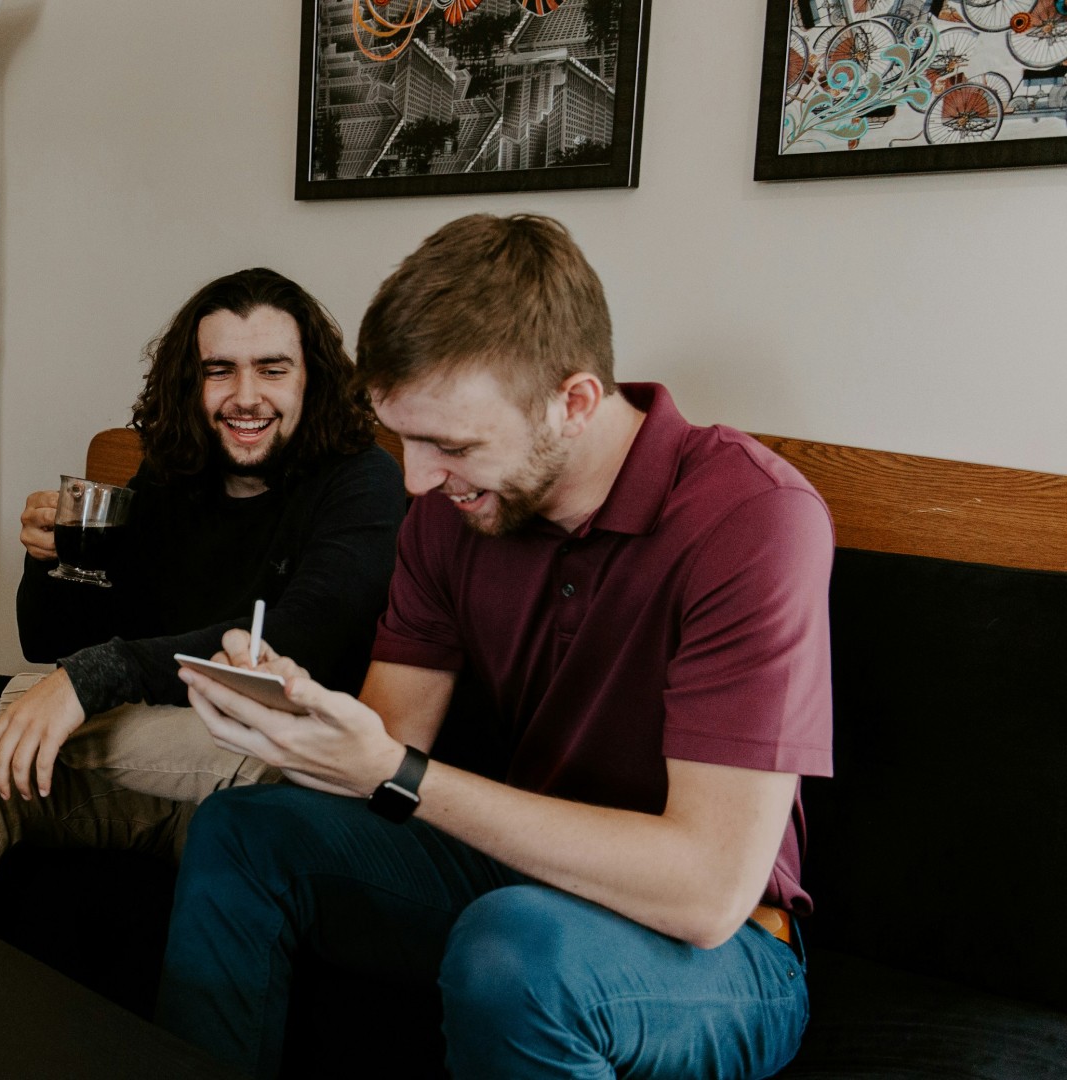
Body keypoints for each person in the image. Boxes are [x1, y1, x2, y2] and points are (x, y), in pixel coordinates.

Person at [160, 215, 834, 1079]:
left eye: (451, 444)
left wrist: (395, 773)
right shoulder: (448, 515)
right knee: (242, 832)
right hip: (521, 880)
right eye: (402, 437)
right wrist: (299, 719)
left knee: (514, 947)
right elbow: (385, 743)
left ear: (575, 401)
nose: (416, 479)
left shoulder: (752, 520)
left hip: (725, 951)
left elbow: (706, 891)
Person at [0, 268, 405, 919]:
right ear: (191, 381)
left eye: (272, 370)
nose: (245, 396)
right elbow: (59, 644)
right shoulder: (175, 474)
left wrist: (94, 678)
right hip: (149, 764)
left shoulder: (362, 481)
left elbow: (306, 632)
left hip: (269, 770)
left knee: (226, 737)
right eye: (220, 370)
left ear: (313, 377)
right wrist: (49, 562)